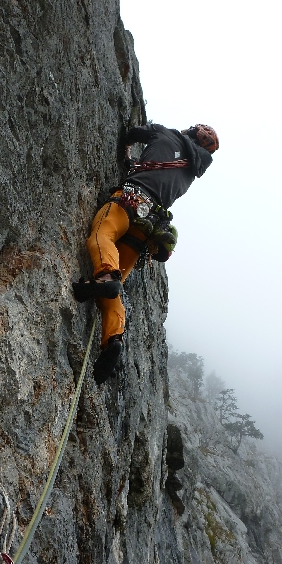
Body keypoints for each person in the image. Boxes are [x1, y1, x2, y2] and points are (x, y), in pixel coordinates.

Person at [73, 123, 219, 383]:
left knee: (102, 235)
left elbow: (131, 132)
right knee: (114, 288)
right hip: (149, 224)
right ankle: (113, 339)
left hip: (129, 200)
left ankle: (105, 276)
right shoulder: (192, 170)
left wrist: (128, 153)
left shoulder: (165, 134)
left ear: (190, 132)